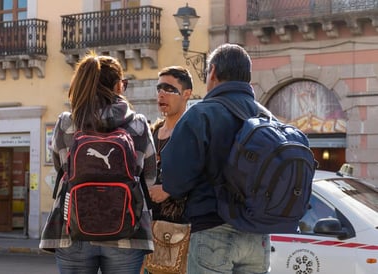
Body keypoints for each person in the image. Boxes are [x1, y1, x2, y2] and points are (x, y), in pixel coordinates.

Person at [161, 44, 271, 274]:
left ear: (212, 72)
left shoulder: (201, 114)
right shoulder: (264, 116)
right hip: (258, 235)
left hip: (212, 230)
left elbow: (173, 181)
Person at [47, 52, 157, 274]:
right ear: (118, 86)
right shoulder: (138, 124)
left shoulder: (67, 122)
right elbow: (150, 176)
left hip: (73, 227)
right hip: (127, 230)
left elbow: (61, 169)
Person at [143, 66, 193, 274]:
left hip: (180, 230)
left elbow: (202, 172)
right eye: (159, 88)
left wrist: (169, 188)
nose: (161, 94)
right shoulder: (151, 132)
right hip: (148, 229)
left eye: (169, 89)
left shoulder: (192, 131)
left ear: (187, 94)